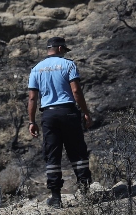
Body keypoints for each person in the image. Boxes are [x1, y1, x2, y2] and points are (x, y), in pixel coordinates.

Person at [28, 36, 92, 209]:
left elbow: (33, 99)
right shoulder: (68, 65)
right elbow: (76, 91)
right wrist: (85, 112)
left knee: (52, 155)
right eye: (64, 49)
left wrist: (32, 121)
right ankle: (85, 193)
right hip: (68, 112)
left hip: (48, 115)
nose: (64, 53)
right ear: (58, 48)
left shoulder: (36, 69)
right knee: (77, 151)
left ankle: (56, 197)